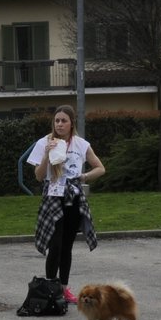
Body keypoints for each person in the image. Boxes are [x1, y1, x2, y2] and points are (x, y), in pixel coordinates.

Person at [25, 105, 105, 304]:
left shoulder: (81, 144)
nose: (59, 124)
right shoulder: (44, 142)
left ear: (71, 124)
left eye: (63, 121)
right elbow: (38, 176)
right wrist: (46, 155)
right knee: (56, 244)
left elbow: (100, 168)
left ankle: (63, 288)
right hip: (53, 197)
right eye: (57, 120)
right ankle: (51, 286)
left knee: (67, 245)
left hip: (73, 198)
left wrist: (84, 176)